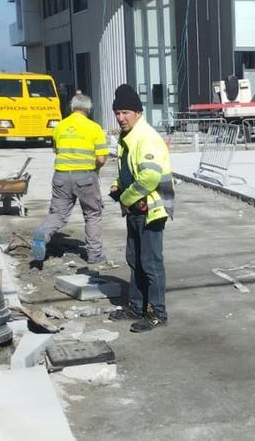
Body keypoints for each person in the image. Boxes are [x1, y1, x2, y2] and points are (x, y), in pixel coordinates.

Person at [106, 84, 175, 333]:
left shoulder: (146, 138)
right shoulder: (128, 137)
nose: (121, 117)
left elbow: (149, 177)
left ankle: (157, 313)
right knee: (134, 259)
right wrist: (118, 185)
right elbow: (128, 170)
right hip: (136, 209)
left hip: (150, 211)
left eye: (125, 112)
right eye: (117, 113)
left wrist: (125, 198)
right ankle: (136, 307)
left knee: (151, 263)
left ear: (138, 112)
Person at [32, 90, 109, 267]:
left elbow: (57, 150)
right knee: (92, 214)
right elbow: (101, 159)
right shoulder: (94, 128)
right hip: (85, 176)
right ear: (88, 109)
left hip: (61, 175)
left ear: (72, 107)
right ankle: (95, 255)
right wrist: (95, 169)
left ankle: (43, 233)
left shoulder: (59, 127)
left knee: (58, 214)